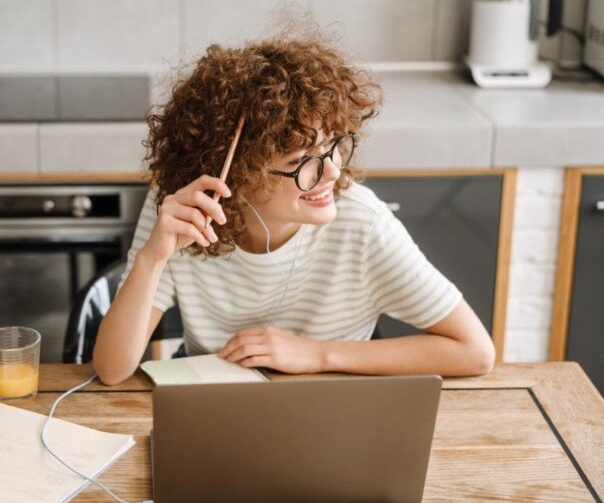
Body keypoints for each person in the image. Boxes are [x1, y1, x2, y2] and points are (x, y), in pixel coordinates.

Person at [93, 31, 495, 386]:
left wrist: (316, 354)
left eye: (333, 146)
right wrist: (152, 258)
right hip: (218, 414)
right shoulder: (185, 212)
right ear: (236, 175)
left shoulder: (362, 222)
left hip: (338, 416)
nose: (332, 172)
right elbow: (112, 371)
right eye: (300, 163)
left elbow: (475, 351)